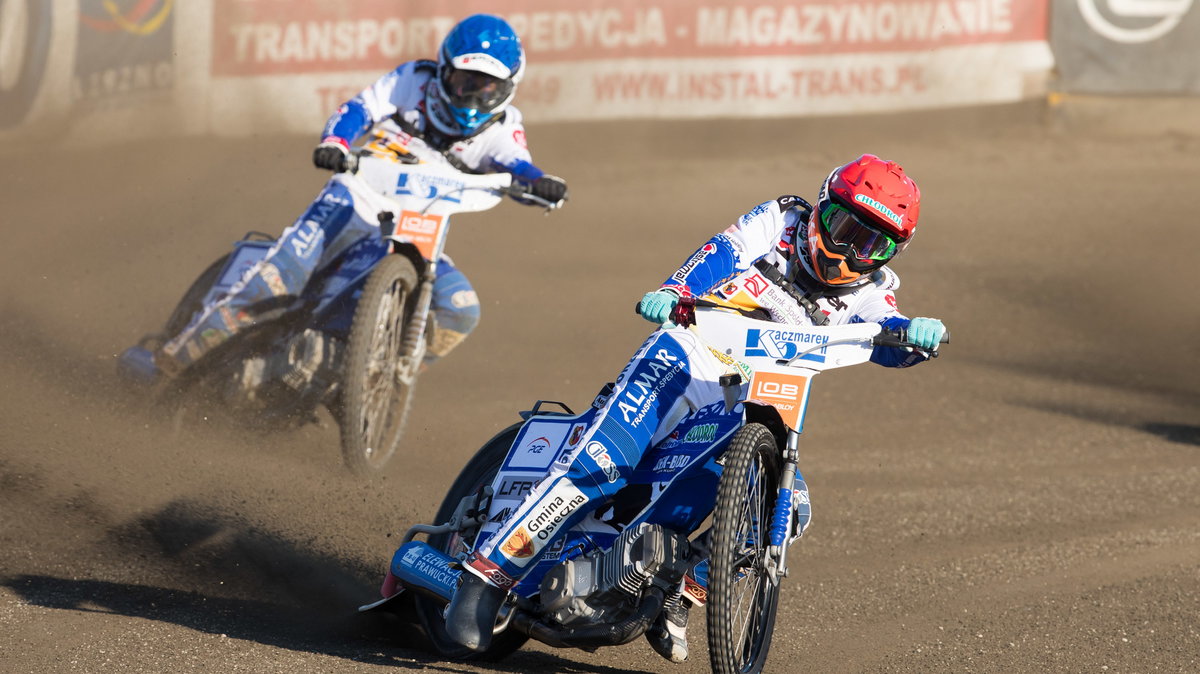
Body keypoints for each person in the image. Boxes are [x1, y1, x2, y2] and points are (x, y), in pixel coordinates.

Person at [442, 154, 947, 661]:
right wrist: (676, 289)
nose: (849, 254)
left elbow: (887, 335)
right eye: (845, 230)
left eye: (872, 245)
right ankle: (484, 577)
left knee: (787, 507)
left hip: (758, 389)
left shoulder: (873, 291)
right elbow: (721, 252)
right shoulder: (781, 221)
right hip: (689, 353)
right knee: (602, 459)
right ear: (821, 209)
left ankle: (684, 590)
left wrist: (914, 339)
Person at [118, 14, 568, 382]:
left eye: (487, 88)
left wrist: (539, 182)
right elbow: (359, 108)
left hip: (417, 229)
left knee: (459, 310)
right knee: (274, 282)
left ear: (508, 88)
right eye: (465, 82)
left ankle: (360, 380)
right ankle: (166, 364)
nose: (473, 98)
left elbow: (517, 164)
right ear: (444, 70)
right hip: (354, 198)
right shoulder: (414, 78)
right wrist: (336, 141)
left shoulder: (504, 125)